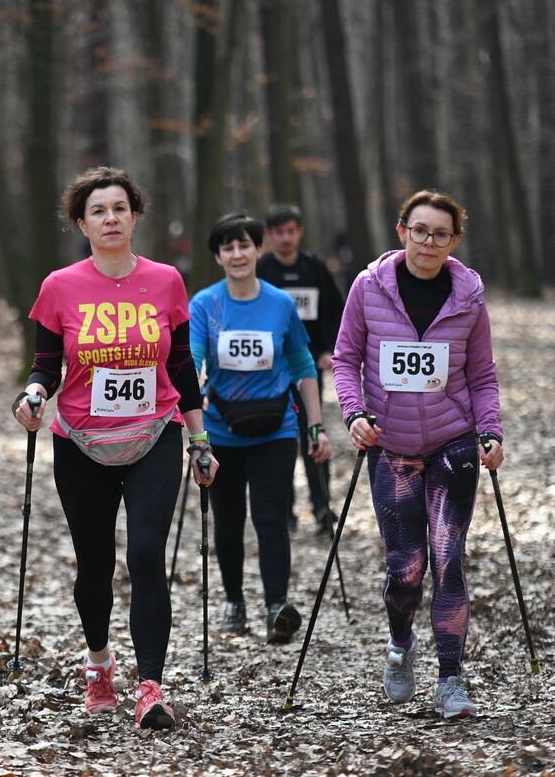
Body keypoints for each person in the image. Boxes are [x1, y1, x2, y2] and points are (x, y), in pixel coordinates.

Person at [12, 166, 217, 731]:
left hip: (155, 432)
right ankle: (99, 664)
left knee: (148, 554)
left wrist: (200, 439)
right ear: (81, 222)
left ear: (134, 216)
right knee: (95, 565)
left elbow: (180, 368)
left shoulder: (167, 281)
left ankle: (150, 686)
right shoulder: (60, 286)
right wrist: (32, 395)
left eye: (119, 209)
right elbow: (45, 366)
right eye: (98, 211)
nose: (110, 218)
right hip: (80, 441)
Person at [330, 190, 505, 720]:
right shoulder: (368, 286)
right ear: (402, 230)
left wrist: (491, 430)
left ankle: (451, 679)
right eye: (420, 230)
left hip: (454, 442)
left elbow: (483, 375)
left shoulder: (469, 297)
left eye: (442, 234)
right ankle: (401, 644)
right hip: (394, 446)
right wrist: (355, 415)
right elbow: (345, 358)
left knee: (449, 559)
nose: (429, 242)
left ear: (455, 240)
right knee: (406, 568)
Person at [189, 213, 331, 644]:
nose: (237, 254)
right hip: (221, 431)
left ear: (257, 250)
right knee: (229, 521)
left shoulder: (280, 304)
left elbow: (303, 365)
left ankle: (276, 606)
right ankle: (234, 601)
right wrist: (195, 402)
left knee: (270, 515)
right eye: (228, 247)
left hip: (276, 428)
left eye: (244, 245)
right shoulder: (205, 304)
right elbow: (193, 361)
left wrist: (316, 425)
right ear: (218, 255)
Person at [257, 204, 345, 534]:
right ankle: (284, 510)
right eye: (279, 232)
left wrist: (328, 350)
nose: (285, 238)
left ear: (300, 232)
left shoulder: (315, 268)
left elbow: (335, 313)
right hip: (270, 373)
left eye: (291, 231)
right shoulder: (261, 270)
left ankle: (322, 506)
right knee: (278, 440)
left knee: (313, 433)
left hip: (308, 369)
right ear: (269, 235)